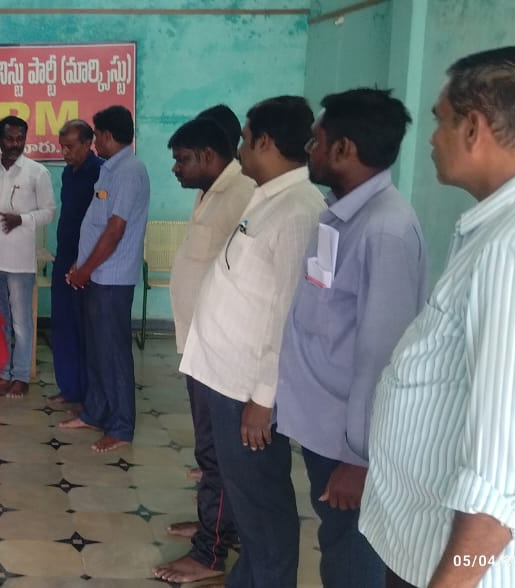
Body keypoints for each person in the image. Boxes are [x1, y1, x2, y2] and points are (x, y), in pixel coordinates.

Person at [361, 46, 515, 588]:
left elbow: (500, 479)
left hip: (479, 568)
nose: (433, 139)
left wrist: (452, 580)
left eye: (440, 121)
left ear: (474, 128)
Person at [273, 88, 426, 588]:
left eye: (316, 141)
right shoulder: (342, 214)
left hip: (349, 442)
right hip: (326, 427)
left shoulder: (385, 230)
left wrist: (360, 461)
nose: (308, 150)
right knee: (338, 542)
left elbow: (383, 354)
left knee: (351, 554)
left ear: (344, 149)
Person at [179, 96, 325, 586]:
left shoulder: (299, 210)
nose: (239, 149)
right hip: (224, 378)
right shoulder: (269, 198)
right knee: (245, 501)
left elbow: (289, 316)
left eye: (244, 139)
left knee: (263, 506)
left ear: (265, 142)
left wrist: (264, 399)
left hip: (246, 390)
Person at [152, 110, 252, 585]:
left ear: (209, 155)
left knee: (218, 454)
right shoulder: (211, 191)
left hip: (221, 350)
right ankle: (215, 525)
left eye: (182, 160)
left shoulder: (241, 194)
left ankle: (210, 553)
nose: (176, 168)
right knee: (210, 450)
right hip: (200, 344)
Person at [57, 105, 150, 453]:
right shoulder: (112, 170)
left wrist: (84, 270)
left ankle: (121, 427)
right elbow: (97, 225)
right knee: (97, 351)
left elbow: (115, 230)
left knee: (113, 355)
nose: (95, 143)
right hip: (97, 274)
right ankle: (95, 413)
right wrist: (80, 265)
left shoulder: (129, 171)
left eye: (96, 136)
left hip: (112, 279)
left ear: (108, 136)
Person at [0, 115, 56, 398]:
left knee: (21, 322)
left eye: (20, 139)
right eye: (9, 139)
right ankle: (3, 372)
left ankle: (20, 375)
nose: (15, 144)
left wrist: (22, 219)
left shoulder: (37, 173)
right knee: (0, 321)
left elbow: (49, 212)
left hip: (19, 261)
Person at [47, 119, 102, 405]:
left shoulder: (100, 172)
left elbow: (102, 224)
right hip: (64, 256)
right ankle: (69, 388)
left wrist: (84, 263)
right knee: (63, 324)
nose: (64, 153)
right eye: (62, 147)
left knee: (85, 329)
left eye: (70, 147)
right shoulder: (69, 174)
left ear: (88, 144)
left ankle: (89, 394)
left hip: (87, 263)